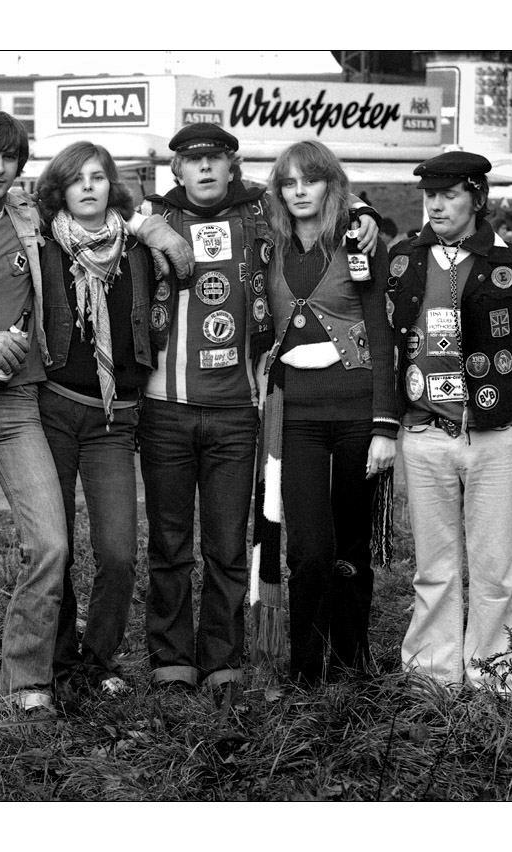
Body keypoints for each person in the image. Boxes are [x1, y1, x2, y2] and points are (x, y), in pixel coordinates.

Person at [0, 113, 193, 723]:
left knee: (49, 541)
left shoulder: (32, 223)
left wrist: (156, 226)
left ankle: (27, 676)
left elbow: (113, 217)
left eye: (9, 159)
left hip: (21, 403)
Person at [136, 124, 380, 699]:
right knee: (170, 543)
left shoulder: (257, 218)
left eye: (215, 160)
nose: (203, 170)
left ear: (233, 166)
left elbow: (321, 201)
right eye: (191, 162)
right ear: (175, 170)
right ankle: (171, 659)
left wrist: (363, 210)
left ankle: (224, 657)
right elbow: (97, 202)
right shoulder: (150, 217)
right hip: (164, 408)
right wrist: (146, 225)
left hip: (239, 411)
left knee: (227, 544)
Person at [387, 151, 512, 697]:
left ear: (476, 198)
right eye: (429, 195)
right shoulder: (403, 260)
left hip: (497, 435)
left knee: (494, 565)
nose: (436, 204)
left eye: (450, 194)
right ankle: (433, 672)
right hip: (424, 436)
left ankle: (493, 673)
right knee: (433, 566)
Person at [251, 140, 399, 688]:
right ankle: (305, 672)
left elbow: (382, 335)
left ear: (330, 185)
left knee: (351, 548)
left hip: (359, 411)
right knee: (309, 551)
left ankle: (350, 665)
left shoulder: (358, 241)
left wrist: (386, 421)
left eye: (309, 181)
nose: (298, 192)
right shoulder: (268, 243)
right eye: (288, 183)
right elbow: (222, 193)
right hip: (295, 417)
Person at [34, 141, 156, 698]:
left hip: (114, 418)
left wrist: (365, 214)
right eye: (75, 179)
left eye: (98, 176)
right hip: (55, 409)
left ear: (113, 185)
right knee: (52, 546)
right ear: (58, 190)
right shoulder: (39, 245)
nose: (88, 186)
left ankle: (96, 661)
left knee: (118, 553)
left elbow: (236, 207)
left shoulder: (139, 246)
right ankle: (60, 661)